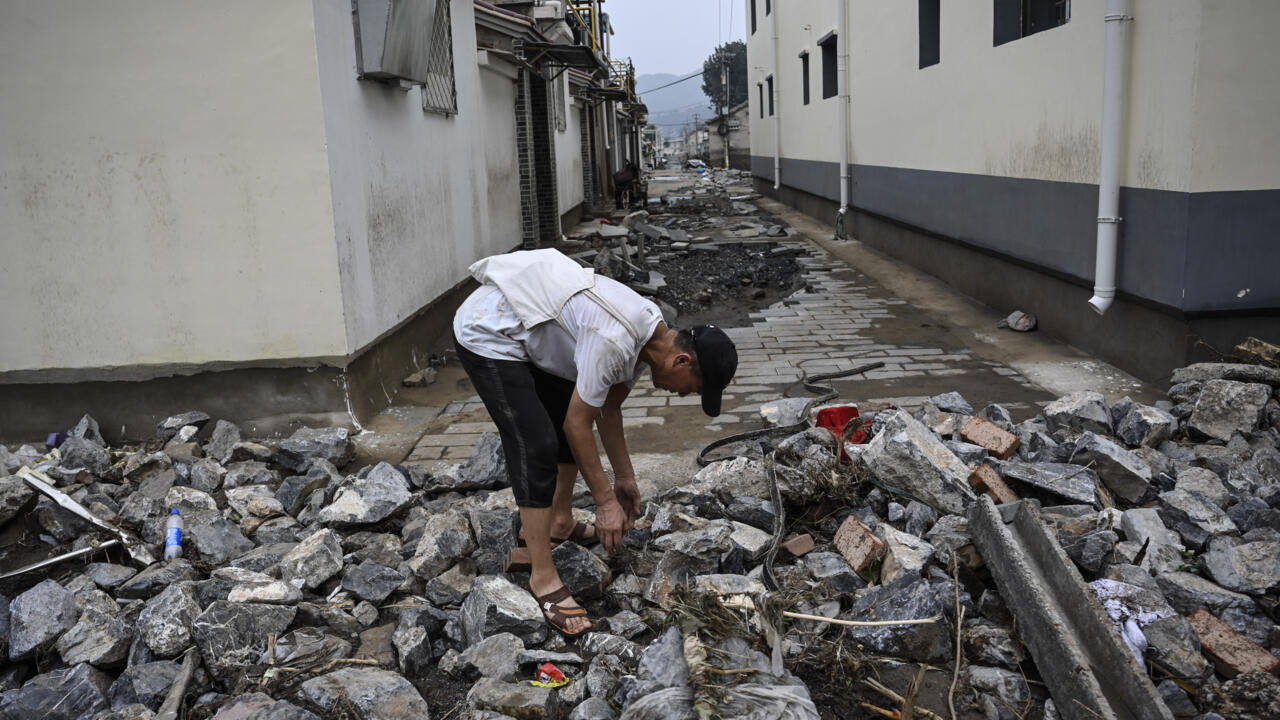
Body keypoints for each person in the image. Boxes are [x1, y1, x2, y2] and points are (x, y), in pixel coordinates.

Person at [452, 248, 737, 635]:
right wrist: (604, 502)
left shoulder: (650, 335)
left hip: (535, 328)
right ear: (682, 362)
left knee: (573, 414)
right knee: (537, 444)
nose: (683, 396)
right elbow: (578, 425)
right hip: (489, 329)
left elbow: (609, 409)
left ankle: (560, 521)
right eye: (691, 390)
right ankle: (543, 576)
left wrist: (624, 479)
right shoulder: (616, 338)